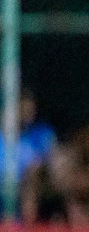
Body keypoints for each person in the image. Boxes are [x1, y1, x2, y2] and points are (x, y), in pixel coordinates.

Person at [0, 89, 58, 223]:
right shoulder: (4, 138)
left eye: (30, 108)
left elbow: (51, 164)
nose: (27, 112)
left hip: (29, 188)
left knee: (33, 178)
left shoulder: (41, 134)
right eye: (23, 108)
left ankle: (29, 225)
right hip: (5, 186)